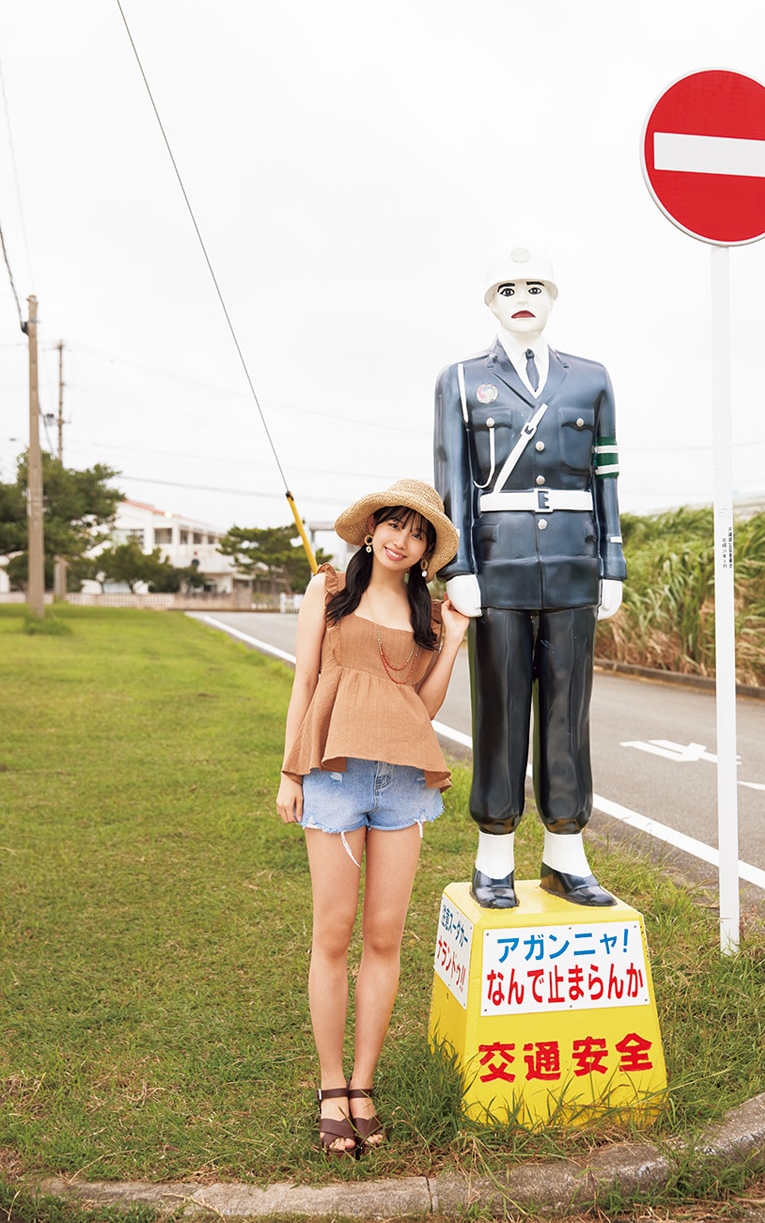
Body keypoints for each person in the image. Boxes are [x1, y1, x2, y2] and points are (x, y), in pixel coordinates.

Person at [276, 479, 469, 1156]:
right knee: (332, 932)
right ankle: (331, 1086)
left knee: (384, 936)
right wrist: (288, 771)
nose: (402, 539)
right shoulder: (328, 590)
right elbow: (305, 681)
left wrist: (453, 642)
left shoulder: (429, 614)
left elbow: (424, 705)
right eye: (393, 525)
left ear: (425, 551)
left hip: (402, 779)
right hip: (330, 773)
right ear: (369, 530)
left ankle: (363, 1083)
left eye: (417, 534)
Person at [433, 242, 625, 911]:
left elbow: (605, 479)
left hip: (574, 563)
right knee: (501, 709)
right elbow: (452, 480)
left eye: (535, 286)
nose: (522, 298)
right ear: (490, 301)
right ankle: (493, 856)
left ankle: (565, 855)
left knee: (570, 715)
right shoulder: (460, 380)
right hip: (499, 565)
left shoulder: (591, 379)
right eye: (508, 288)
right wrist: (457, 565)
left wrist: (613, 561)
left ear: (553, 297)